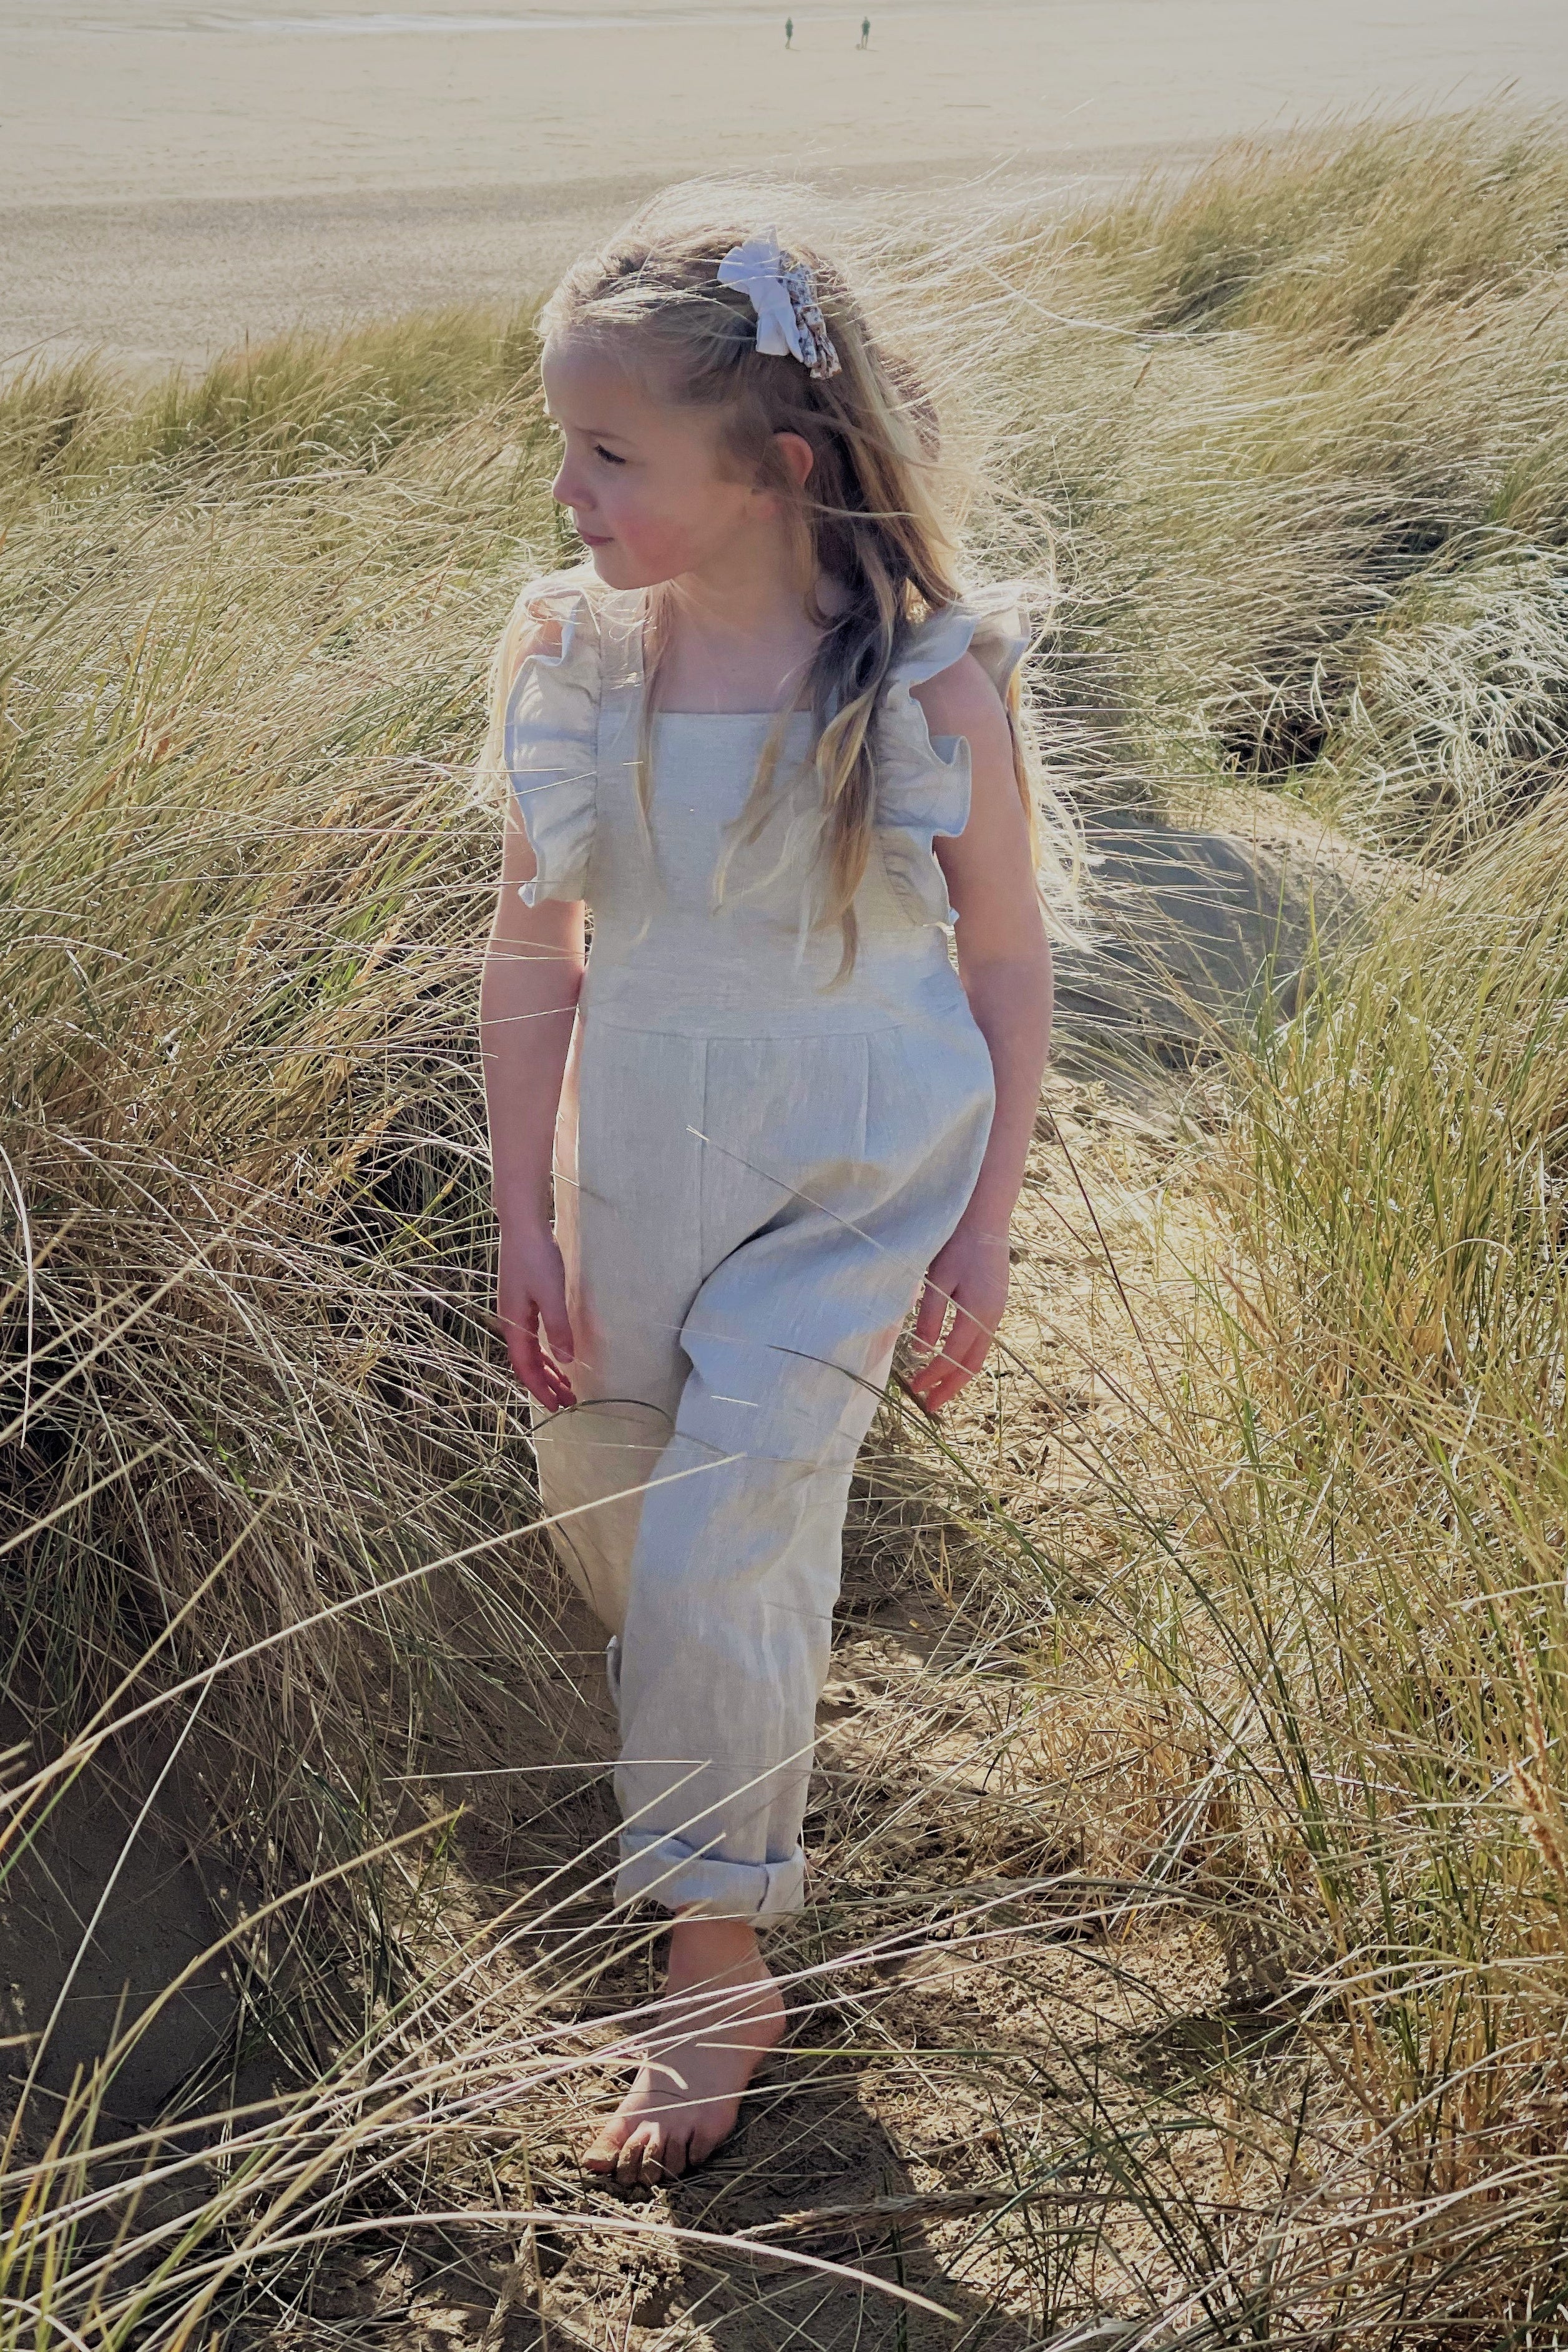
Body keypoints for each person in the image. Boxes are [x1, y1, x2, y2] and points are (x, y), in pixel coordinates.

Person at [478, 198, 1066, 2188]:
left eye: (610, 453)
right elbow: (535, 946)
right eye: (560, 445)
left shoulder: (919, 681)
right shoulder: (573, 661)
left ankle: (712, 1957)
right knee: (624, 1503)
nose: (567, 494)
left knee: (729, 1520)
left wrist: (984, 1220)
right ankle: (739, 1746)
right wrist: (524, 1213)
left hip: (861, 1159)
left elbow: (1005, 954)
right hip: (641, 1147)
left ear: (779, 469)